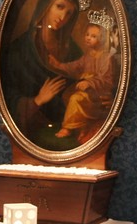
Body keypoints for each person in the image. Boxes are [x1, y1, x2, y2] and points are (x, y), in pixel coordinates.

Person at [0, 0, 92, 149]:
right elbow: (9, 96)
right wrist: (38, 100)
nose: (63, 16)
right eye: (60, 6)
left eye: (69, 13)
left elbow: (85, 80)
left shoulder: (73, 50)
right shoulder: (20, 50)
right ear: (46, 5)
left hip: (69, 129)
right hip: (34, 132)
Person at [47, 8, 116, 142]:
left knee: (75, 99)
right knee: (67, 95)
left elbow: (107, 80)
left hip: (97, 94)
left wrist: (89, 83)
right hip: (85, 91)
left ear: (102, 39)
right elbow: (74, 67)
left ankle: (67, 128)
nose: (88, 38)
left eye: (93, 36)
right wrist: (58, 65)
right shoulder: (88, 56)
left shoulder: (107, 58)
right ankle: (80, 125)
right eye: (87, 34)